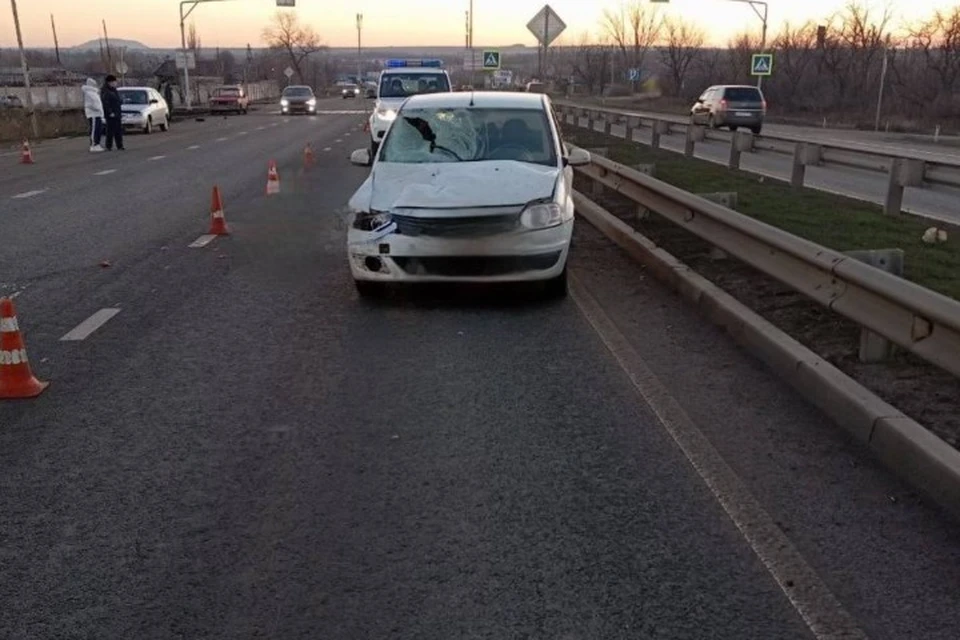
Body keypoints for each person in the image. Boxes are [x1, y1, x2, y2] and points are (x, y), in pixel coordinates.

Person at [100, 74, 125, 151]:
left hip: (117, 113)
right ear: (109, 82)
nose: (115, 83)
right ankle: (108, 146)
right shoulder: (105, 91)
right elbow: (105, 103)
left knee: (118, 130)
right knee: (110, 131)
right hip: (111, 114)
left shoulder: (114, 90)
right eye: (114, 82)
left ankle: (119, 145)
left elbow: (117, 100)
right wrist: (110, 112)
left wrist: (121, 101)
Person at [82, 78, 104, 152]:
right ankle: (93, 145)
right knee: (94, 129)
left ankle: (97, 143)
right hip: (93, 114)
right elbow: (90, 104)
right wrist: (97, 108)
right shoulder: (88, 93)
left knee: (98, 129)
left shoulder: (94, 93)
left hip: (98, 113)